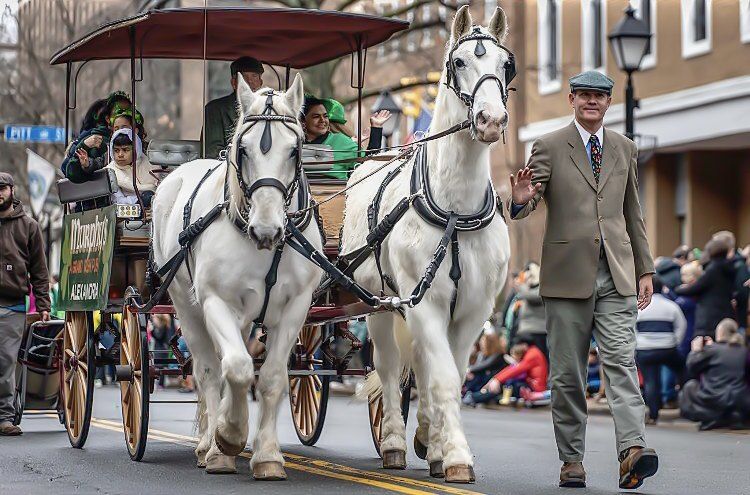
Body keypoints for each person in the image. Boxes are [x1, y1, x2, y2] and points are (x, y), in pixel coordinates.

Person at [508, 70, 658, 489]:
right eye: (585, 95)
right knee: (567, 375)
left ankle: (632, 451)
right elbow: (529, 199)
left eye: (600, 96)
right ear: (571, 99)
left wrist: (645, 269)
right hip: (566, 278)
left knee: (621, 364)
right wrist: (519, 203)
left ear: (608, 103)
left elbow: (633, 214)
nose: (592, 101)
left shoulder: (624, 149)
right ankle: (571, 459)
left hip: (616, 274)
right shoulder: (550, 146)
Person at [0, 172, 50, 436]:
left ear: (12, 190)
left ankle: (4, 418)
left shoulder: (28, 225)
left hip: (13, 305)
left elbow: (39, 270)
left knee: (6, 362)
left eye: (3, 189)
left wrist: (43, 304)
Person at [680, 319, 750, 430]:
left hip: (713, 398)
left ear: (720, 332)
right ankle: (735, 416)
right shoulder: (744, 351)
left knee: (690, 386)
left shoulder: (711, 350)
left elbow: (692, 368)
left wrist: (696, 351)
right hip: (740, 399)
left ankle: (712, 417)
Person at [635, 276, 686, 424]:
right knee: (682, 370)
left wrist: (639, 343)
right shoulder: (671, 305)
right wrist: (674, 342)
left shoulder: (639, 307)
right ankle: (681, 400)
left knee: (651, 381)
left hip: (645, 349)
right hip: (667, 348)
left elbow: (632, 328)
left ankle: (653, 415)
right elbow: (681, 326)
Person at [302, 96, 390, 179]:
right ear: (303, 121)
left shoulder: (341, 141)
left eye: (325, 116)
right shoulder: (293, 143)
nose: (322, 120)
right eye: (316, 116)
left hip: (335, 193)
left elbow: (370, 165)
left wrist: (376, 128)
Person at [61, 91, 133, 183]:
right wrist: (84, 149)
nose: (123, 116)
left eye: (128, 112)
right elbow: (73, 173)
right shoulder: (98, 142)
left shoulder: (138, 141)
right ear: (108, 119)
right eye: (118, 112)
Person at [203, 57, 264, 159]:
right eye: (244, 77)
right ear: (234, 83)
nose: (250, 82)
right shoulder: (215, 109)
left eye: (254, 76)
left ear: (261, 83)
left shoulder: (268, 110)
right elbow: (213, 151)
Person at [674, 238, 736, 339]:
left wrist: (677, 289)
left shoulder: (713, 269)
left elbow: (695, 288)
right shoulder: (730, 267)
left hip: (709, 318)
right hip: (726, 312)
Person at [712, 231, 750, 331]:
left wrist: (732, 298)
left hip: (735, 321)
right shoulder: (725, 264)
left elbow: (742, 292)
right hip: (726, 319)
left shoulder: (738, 265)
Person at [514, 263, 548, 359]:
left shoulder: (542, 288)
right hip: (525, 333)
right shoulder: (527, 289)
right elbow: (521, 295)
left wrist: (521, 285)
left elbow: (532, 297)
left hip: (538, 333)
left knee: (539, 362)